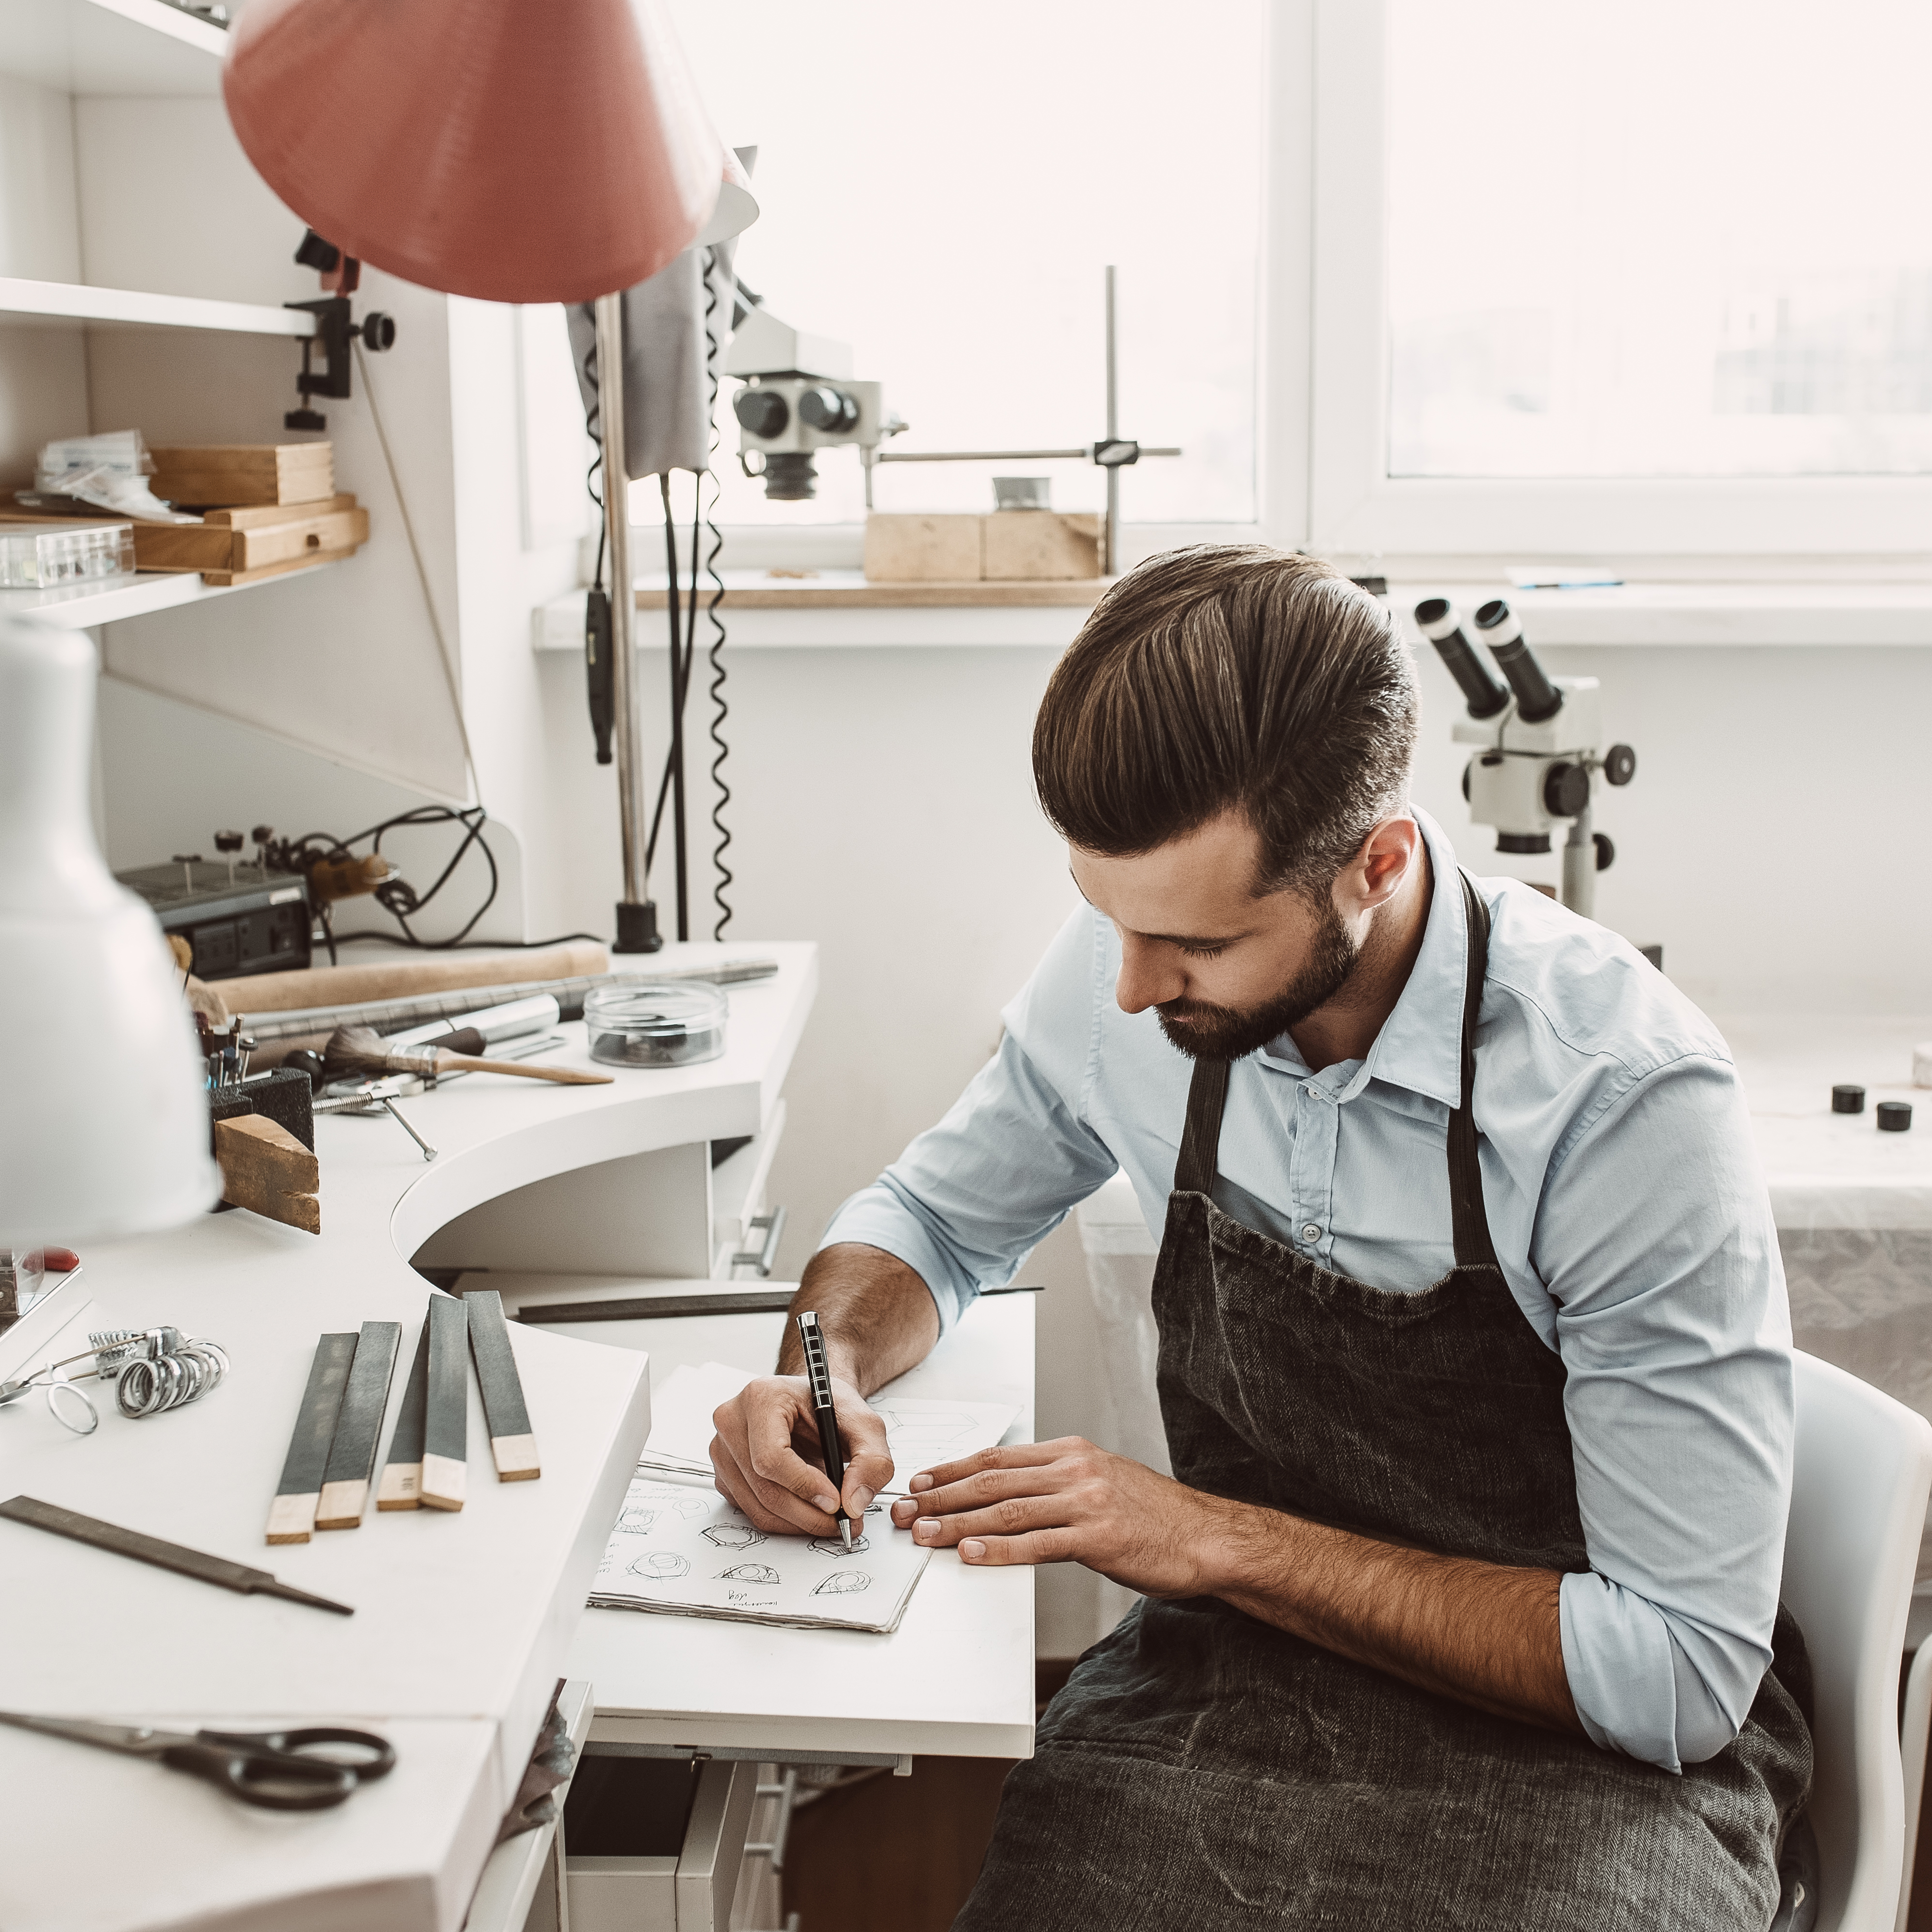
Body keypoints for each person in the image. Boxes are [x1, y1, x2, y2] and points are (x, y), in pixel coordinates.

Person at [708, 547, 1812, 1928]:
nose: (1125, 984)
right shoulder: (1136, 961)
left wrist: (1215, 1541)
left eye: (1196, 948)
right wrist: (819, 1367)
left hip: (1587, 1764)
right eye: (1105, 914)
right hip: (1229, 1688)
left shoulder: (1621, 1101)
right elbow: (933, 1217)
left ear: (1379, 861)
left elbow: (1679, 1676)